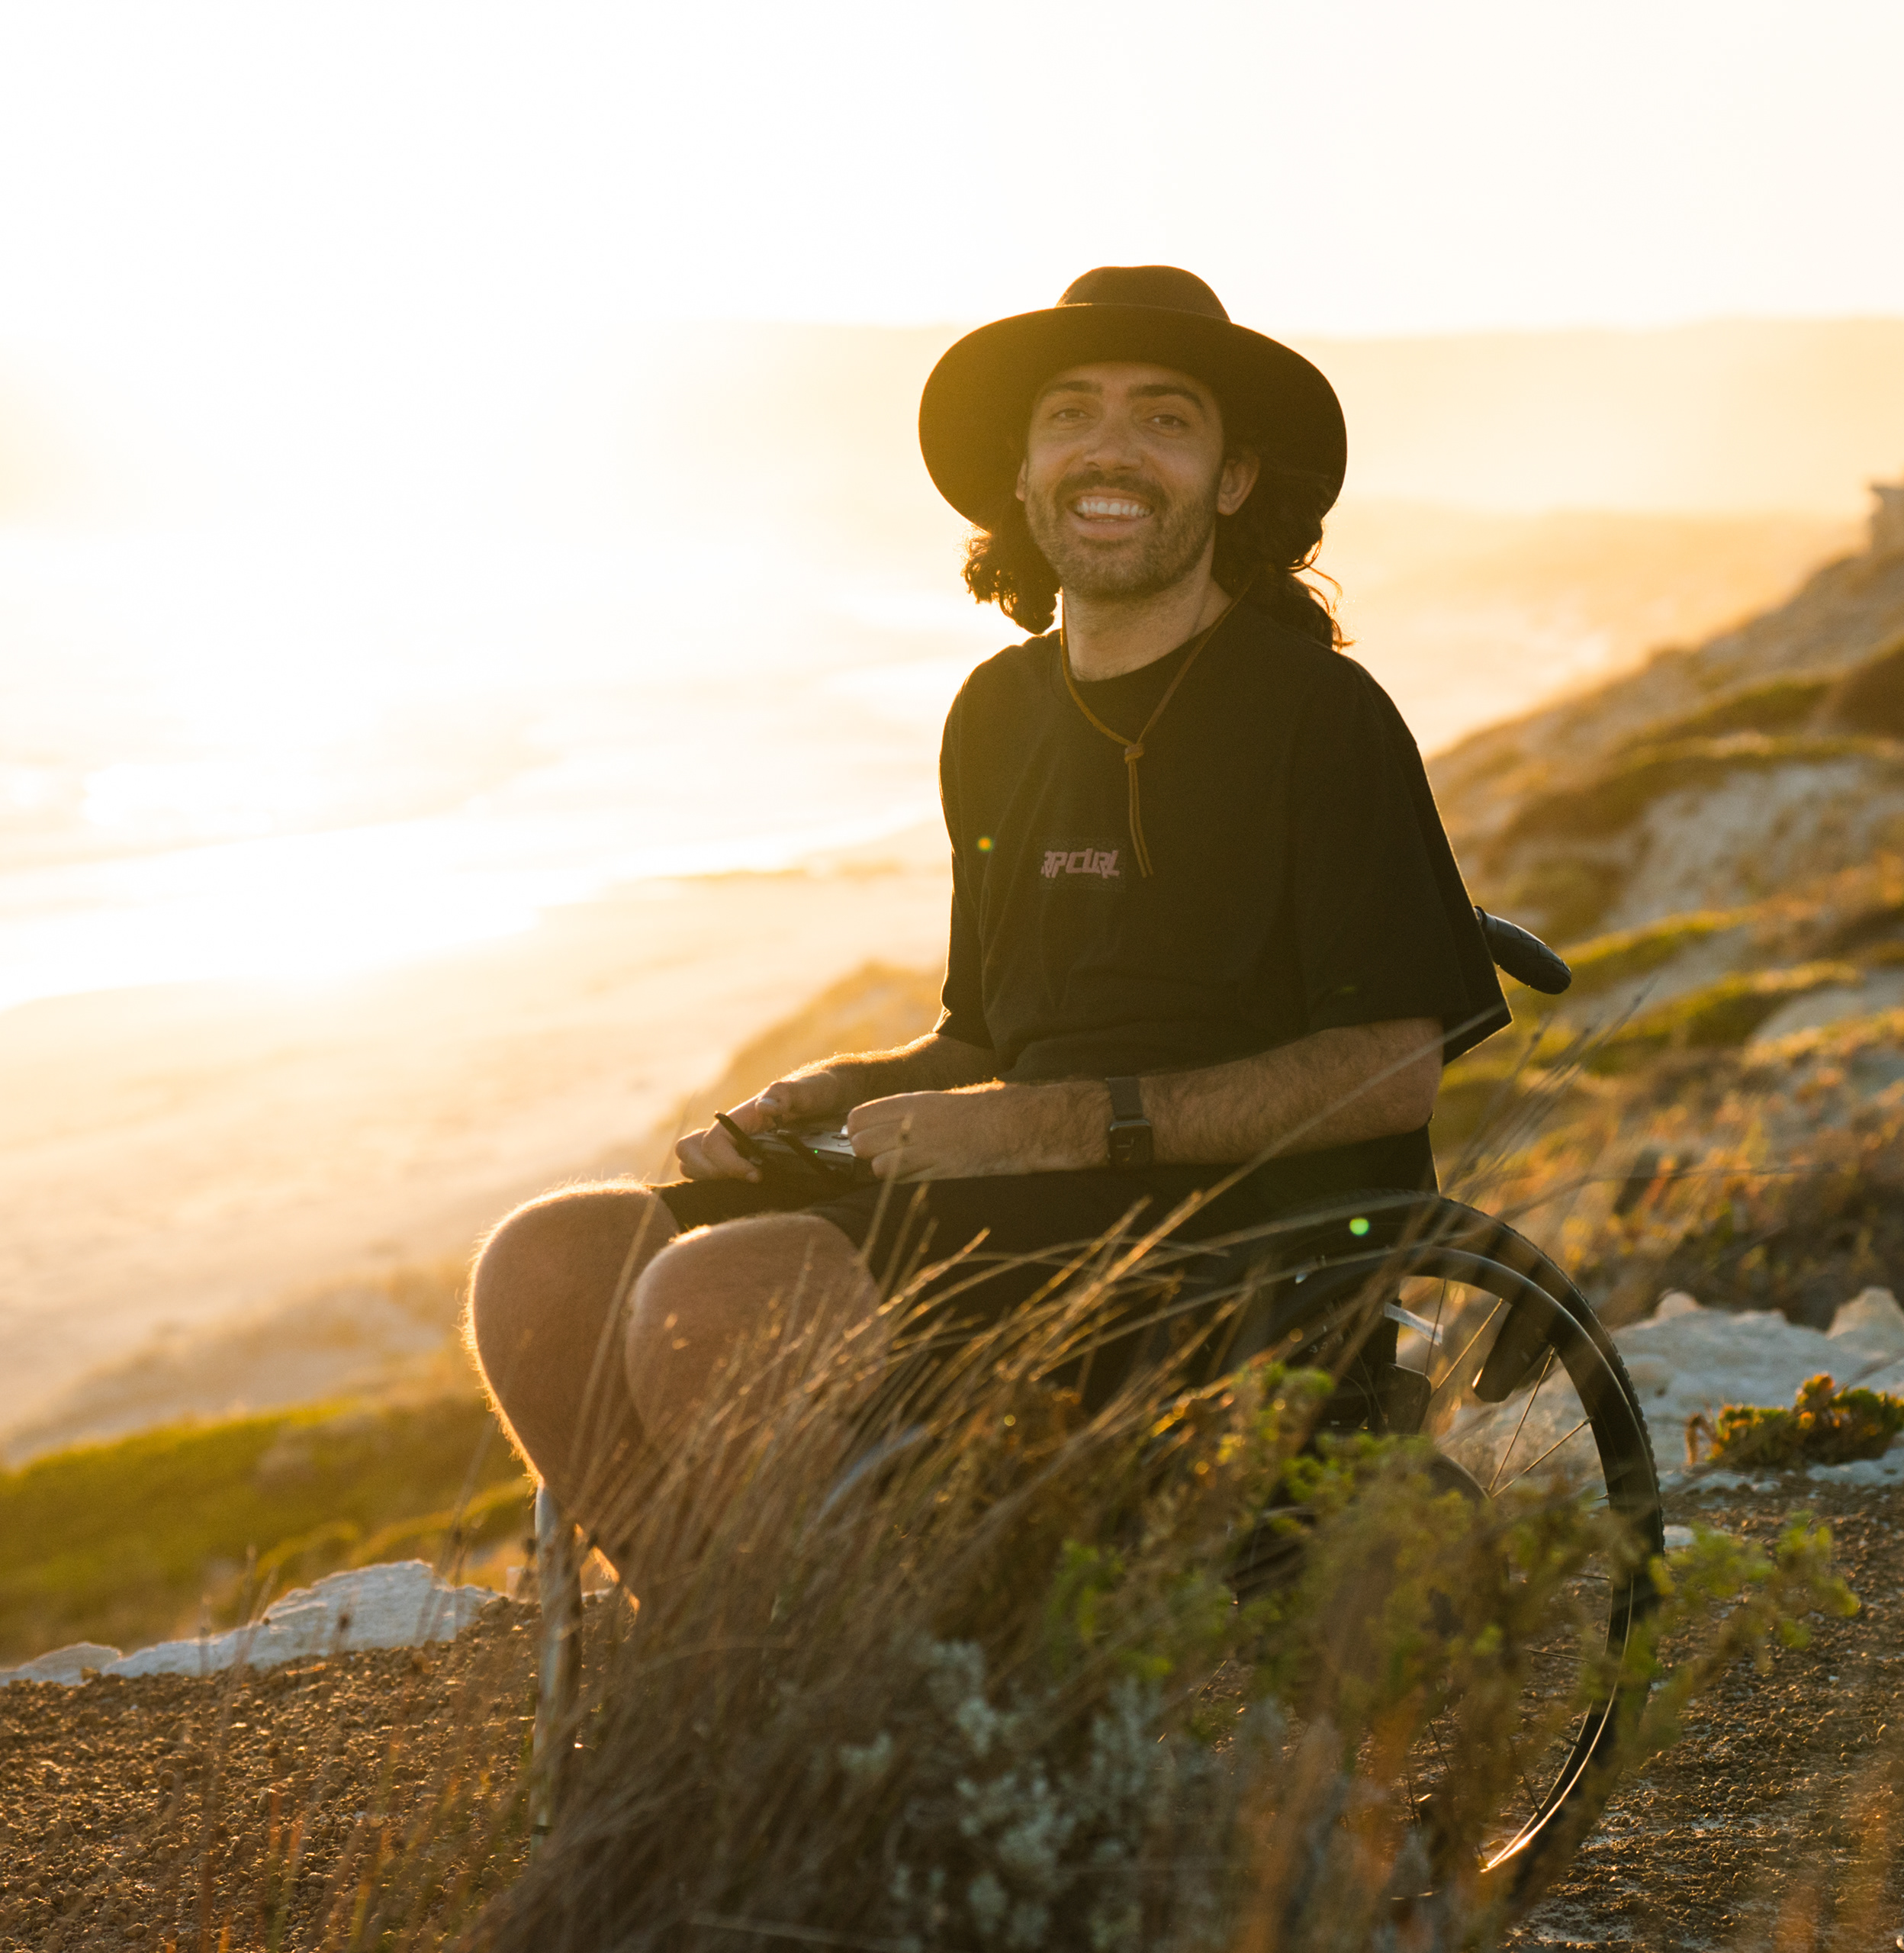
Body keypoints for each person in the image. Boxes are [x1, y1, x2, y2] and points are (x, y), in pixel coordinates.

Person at [465, 266, 1504, 1550]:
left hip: (1236, 1248)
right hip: (1014, 1203)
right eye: (1070, 414)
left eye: (1165, 418)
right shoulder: (998, 714)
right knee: (549, 1264)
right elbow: (987, 1036)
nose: (1110, 449)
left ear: (1233, 480)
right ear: (1022, 471)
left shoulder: (1323, 717)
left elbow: (1392, 1070)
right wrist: (837, 1092)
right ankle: (720, 1642)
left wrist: (1050, 1125)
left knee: (721, 1295)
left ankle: (834, 1664)